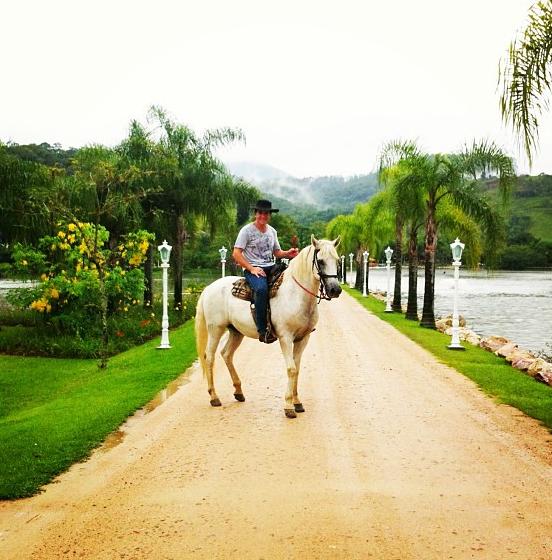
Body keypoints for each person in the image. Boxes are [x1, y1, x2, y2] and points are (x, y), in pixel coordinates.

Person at [233, 199, 299, 343]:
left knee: (291, 284)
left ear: (269, 215)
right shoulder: (246, 231)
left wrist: (288, 253)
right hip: (254, 270)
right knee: (262, 290)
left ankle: (294, 323)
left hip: (271, 267)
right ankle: (263, 330)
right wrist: (251, 268)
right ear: (256, 214)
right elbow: (236, 253)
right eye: (260, 213)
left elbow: (276, 252)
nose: (263, 216)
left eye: (266, 213)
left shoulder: (272, 231)